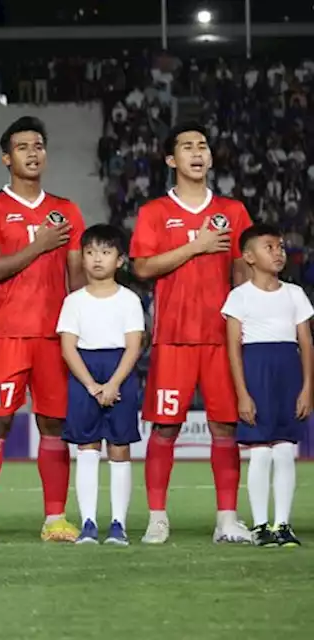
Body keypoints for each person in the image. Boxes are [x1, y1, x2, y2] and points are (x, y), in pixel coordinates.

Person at [129, 122, 254, 544]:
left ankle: (227, 520)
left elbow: (242, 272)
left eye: (202, 146)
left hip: (222, 339)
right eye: (187, 147)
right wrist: (195, 247)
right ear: (171, 160)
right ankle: (158, 518)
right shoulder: (154, 213)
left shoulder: (233, 212)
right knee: (165, 429)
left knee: (225, 428)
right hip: (174, 338)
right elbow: (141, 268)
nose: (197, 152)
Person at [0, 116, 85, 546]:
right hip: (8, 336)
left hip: (55, 338)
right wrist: (39, 244)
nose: (33, 152)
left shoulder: (67, 210)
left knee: (53, 426)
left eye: (39, 145)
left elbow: (77, 280)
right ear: (6, 157)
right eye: (23, 147)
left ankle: (55, 518)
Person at [222, 223, 312, 547]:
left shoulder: (295, 294)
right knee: (260, 452)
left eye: (281, 247)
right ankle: (261, 525)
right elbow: (233, 347)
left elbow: (306, 344)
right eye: (269, 247)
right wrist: (243, 393)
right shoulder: (239, 297)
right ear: (248, 256)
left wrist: (307, 389)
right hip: (256, 372)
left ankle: (282, 524)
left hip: (288, 373)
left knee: (285, 450)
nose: (278, 253)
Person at [56, 224, 145, 546]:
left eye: (105, 252)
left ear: (120, 260)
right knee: (87, 447)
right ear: (81, 257)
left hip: (119, 371)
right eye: (90, 252)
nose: (97, 259)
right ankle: (89, 523)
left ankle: (118, 524)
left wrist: (113, 383)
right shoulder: (74, 301)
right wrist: (93, 385)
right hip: (85, 374)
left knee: (119, 448)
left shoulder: (129, 300)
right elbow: (68, 347)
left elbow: (134, 346)